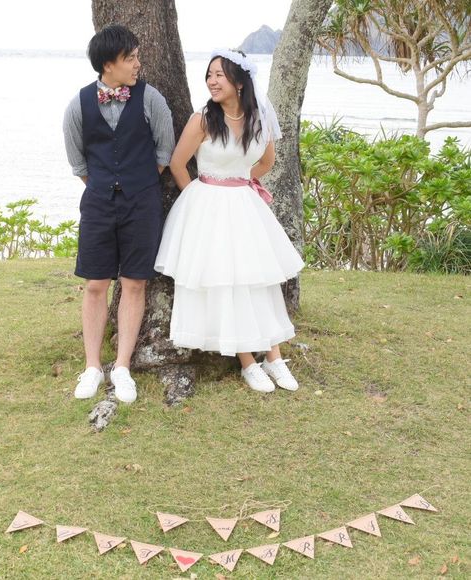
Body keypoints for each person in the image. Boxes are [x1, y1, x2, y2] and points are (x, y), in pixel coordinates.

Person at [155, 49, 304, 393]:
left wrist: (242, 179)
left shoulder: (258, 119)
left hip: (245, 205)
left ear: (239, 81)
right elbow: (178, 163)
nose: (212, 81)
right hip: (208, 206)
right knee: (226, 280)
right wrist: (198, 197)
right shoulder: (203, 120)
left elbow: (266, 161)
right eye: (209, 75)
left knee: (258, 279)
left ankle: (274, 356)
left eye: (219, 75)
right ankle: (247, 361)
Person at [63, 25, 174, 403]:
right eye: (131, 58)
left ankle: (122, 367)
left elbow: (164, 152)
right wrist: (105, 186)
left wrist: (135, 183)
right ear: (108, 64)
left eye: (137, 56)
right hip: (97, 203)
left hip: (141, 203)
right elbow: (79, 164)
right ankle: (92, 367)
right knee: (95, 284)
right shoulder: (78, 105)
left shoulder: (151, 99)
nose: (138, 64)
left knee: (134, 283)